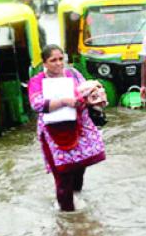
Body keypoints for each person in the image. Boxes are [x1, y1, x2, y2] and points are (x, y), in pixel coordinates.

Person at [28, 45, 107, 212]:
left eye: (60, 59)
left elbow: (85, 90)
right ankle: (67, 216)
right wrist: (64, 101)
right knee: (63, 174)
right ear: (45, 63)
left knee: (80, 166)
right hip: (55, 131)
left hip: (79, 126)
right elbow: (37, 104)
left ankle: (77, 198)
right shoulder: (37, 81)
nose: (58, 63)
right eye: (53, 60)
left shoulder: (73, 74)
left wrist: (94, 97)